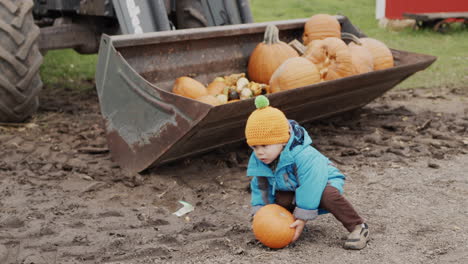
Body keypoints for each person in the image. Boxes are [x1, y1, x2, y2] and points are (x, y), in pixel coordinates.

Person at [245, 95, 369, 250]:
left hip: (323, 180)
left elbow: (311, 185)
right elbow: (261, 187)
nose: (259, 152)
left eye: (264, 145)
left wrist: (302, 217)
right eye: (254, 147)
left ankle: (358, 226)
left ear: (283, 140)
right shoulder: (261, 159)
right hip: (294, 186)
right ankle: (287, 225)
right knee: (281, 199)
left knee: (328, 196)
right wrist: (261, 213)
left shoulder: (303, 155)